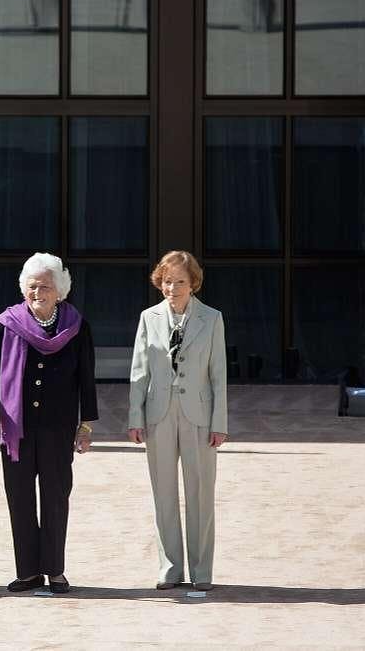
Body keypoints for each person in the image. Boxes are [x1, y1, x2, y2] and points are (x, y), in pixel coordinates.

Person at [0, 253, 97, 593]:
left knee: (56, 496)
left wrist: (85, 424)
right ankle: (28, 571)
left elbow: (86, 379)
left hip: (58, 427)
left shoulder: (76, 325)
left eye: (45, 286)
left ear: (59, 290)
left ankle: (55, 569)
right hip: (16, 427)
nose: (37, 292)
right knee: (19, 497)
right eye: (32, 286)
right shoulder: (7, 323)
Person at [128, 251, 227, 592]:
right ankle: (170, 568)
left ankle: (201, 570)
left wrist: (220, 423)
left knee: (200, 494)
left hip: (199, 416)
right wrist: (135, 417)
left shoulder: (212, 319)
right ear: (160, 282)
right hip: (158, 415)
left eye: (180, 281)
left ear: (193, 283)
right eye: (167, 281)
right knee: (163, 494)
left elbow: (219, 376)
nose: (173, 287)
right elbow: (138, 373)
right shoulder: (148, 318)